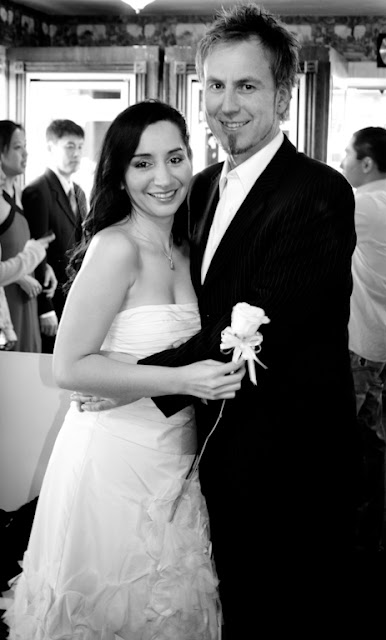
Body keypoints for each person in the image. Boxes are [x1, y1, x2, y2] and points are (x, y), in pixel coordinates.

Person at [104, 5, 359, 635]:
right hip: (207, 449)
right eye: (215, 85)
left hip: (287, 463)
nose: (226, 104)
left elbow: (256, 329)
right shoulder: (201, 185)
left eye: (246, 85)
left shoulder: (318, 192)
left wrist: (128, 381)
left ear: (283, 94)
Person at [3, 100, 244, 640]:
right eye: (143, 163)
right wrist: (182, 379)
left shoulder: (189, 245)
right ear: (119, 173)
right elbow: (69, 366)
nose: (164, 177)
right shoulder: (115, 246)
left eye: (175, 158)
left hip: (176, 456)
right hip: (113, 460)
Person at [341, 126, 386, 552]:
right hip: (380, 339)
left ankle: (348, 540)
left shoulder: (364, 204)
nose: (341, 162)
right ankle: (367, 536)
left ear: (365, 162)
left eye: (346, 154)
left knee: (345, 444)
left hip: (360, 344)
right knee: (368, 440)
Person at [22, 118, 88, 353]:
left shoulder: (79, 192)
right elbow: (35, 253)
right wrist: (45, 308)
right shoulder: (37, 192)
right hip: (51, 300)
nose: (77, 153)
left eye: (80, 147)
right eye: (70, 146)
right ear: (50, 147)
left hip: (75, 299)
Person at [0, 121, 57, 353]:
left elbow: (20, 244)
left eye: (25, 146)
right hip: (8, 297)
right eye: (17, 147)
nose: (25, 153)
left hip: (27, 294)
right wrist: (21, 274)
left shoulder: (18, 192)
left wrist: (43, 266)